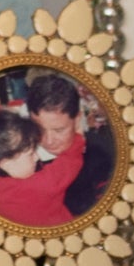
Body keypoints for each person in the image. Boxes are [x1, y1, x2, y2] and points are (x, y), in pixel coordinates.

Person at [0, 106, 85, 228]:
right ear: (4, 162)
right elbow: (68, 165)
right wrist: (78, 138)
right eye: (31, 154)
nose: (37, 157)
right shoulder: (40, 188)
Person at [22, 66, 117, 216]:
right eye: (39, 129)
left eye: (59, 130)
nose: (48, 141)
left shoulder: (103, 155)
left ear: (77, 119)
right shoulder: (20, 158)